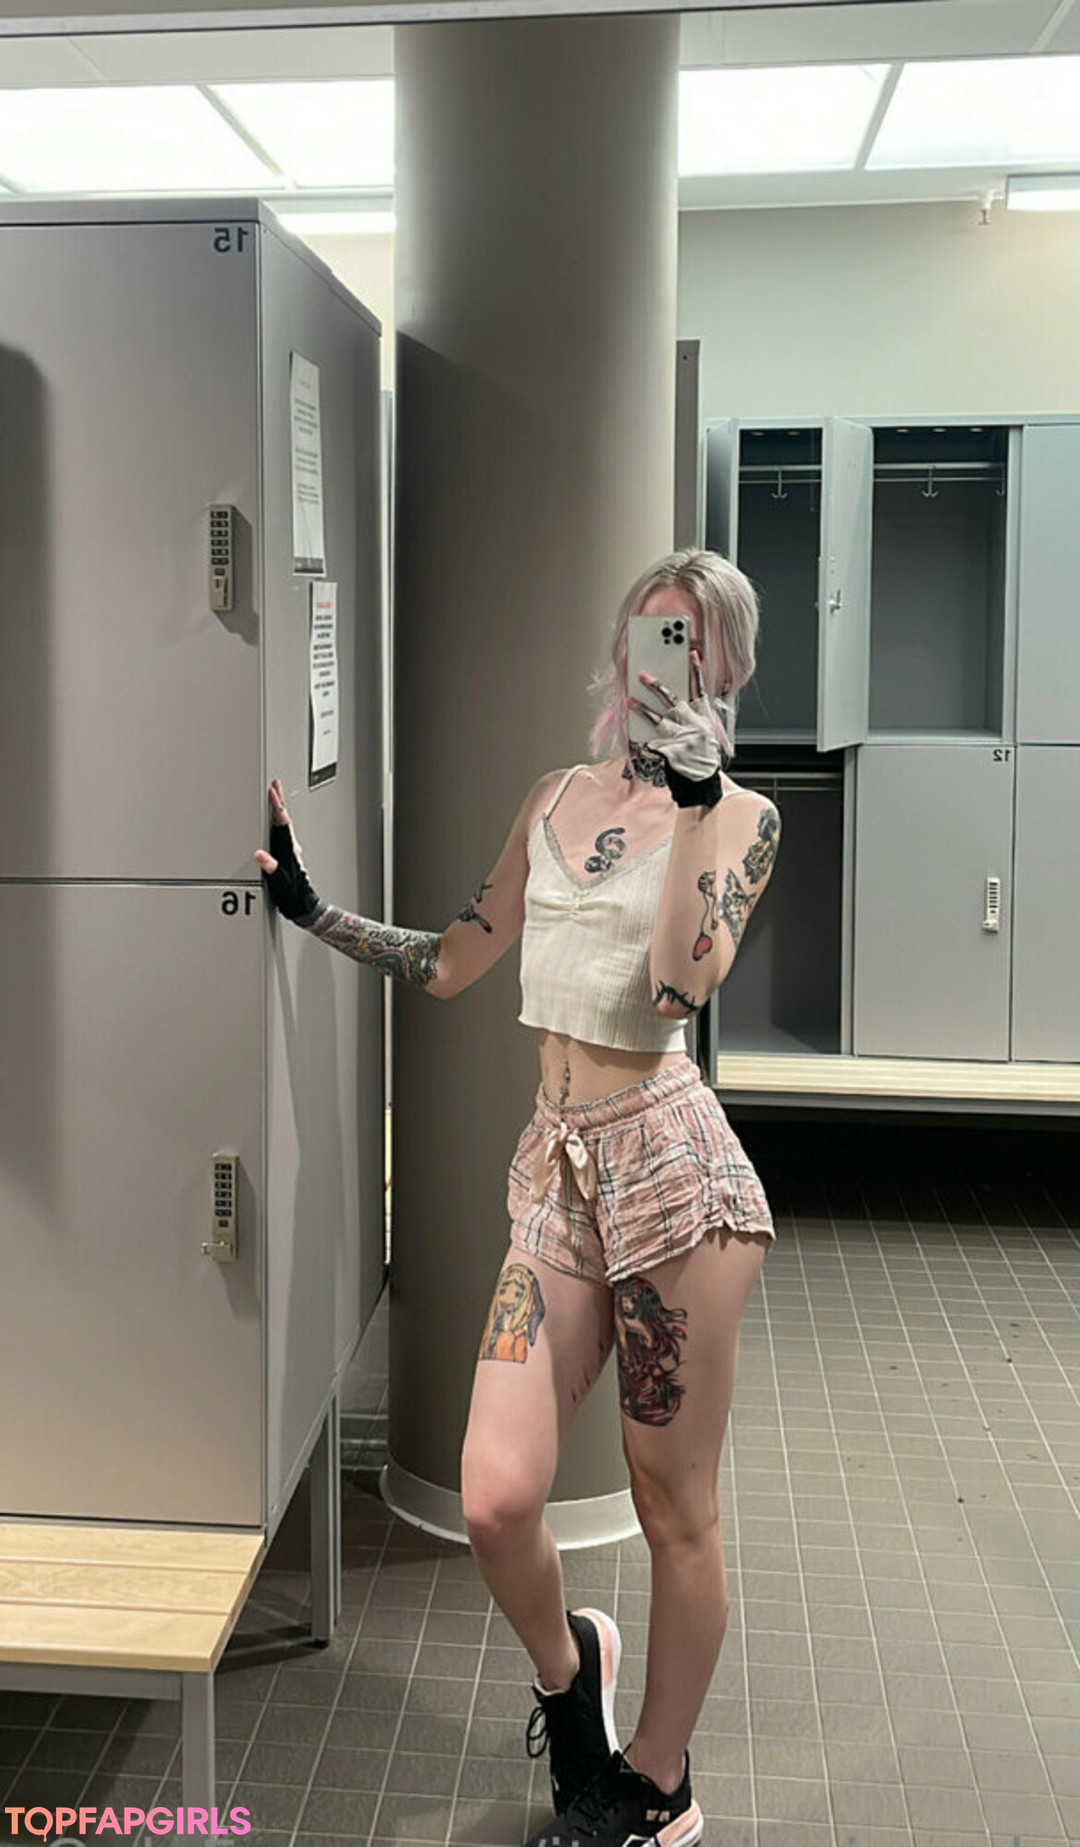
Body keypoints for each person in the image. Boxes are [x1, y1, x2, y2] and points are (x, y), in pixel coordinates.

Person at [255, 547, 780, 1847]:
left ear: (726, 670)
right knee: (495, 1497)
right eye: (653, 632)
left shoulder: (743, 821)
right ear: (621, 648)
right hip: (556, 1172)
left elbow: (678, 987)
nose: (666, 663)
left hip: (674, 1185)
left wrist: (696, 801)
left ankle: (657, 1785)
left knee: (672, 1508)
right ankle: (572, 1678)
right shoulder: (553, 797)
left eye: (694, 643)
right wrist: (314, 912)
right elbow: (454, 959)